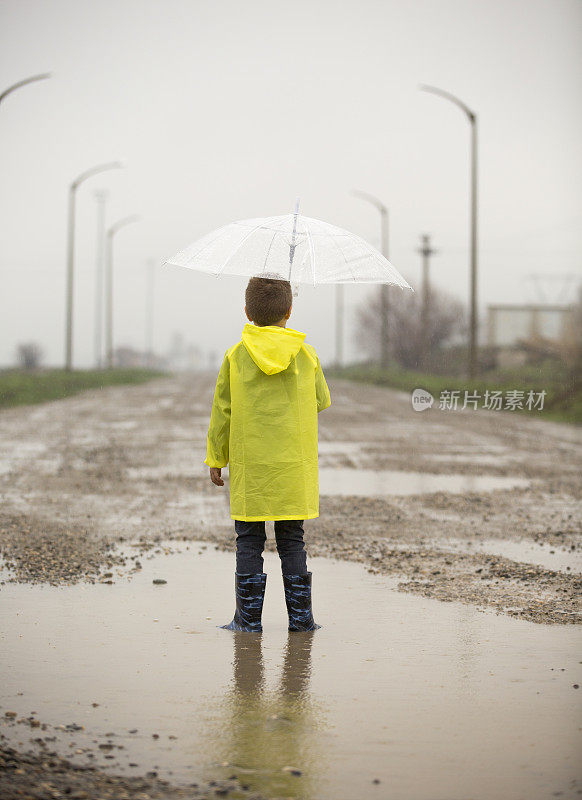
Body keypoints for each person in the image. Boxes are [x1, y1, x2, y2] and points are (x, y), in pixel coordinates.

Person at [205, 274, 331, 633]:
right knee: (292, 540)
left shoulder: (236, 355)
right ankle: (302, 620)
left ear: (247, 311)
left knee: (249, 539)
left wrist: (216, 457)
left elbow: (222, 412)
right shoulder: (306, 354)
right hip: (293, 468)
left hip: (252, 468)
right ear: (289, 311)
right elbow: (322, 401)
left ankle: (247, 621)